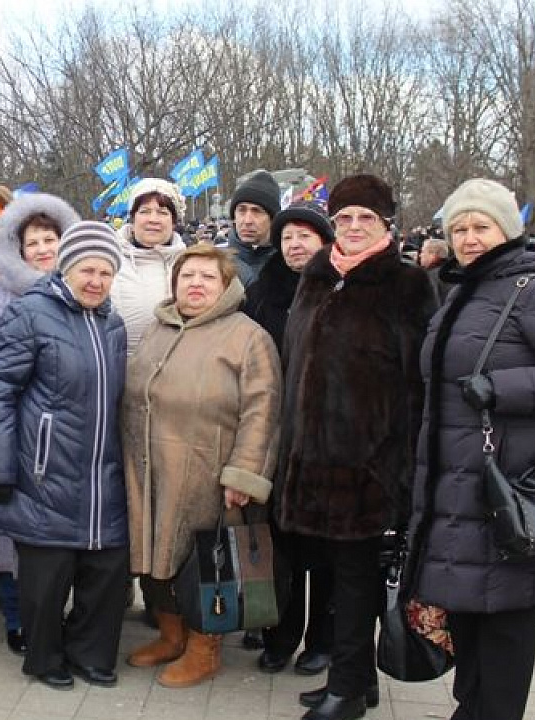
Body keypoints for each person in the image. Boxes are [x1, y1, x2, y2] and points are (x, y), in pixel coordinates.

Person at [406, 179, 535, 720]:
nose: (469, 238)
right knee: (470, 642)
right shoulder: (460, 294)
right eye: (460, 229)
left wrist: (500, 389)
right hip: (456, 495)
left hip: (512, 494)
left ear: (508, 230)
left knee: (504, 648)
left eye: (481, 226)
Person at [277, 175, 436, 720]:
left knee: (355, 576)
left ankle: (347, 691)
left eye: (364, 218)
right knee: (335, 572)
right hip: (313, 458)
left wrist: (403, 467)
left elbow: (418, 384)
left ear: (386, 225)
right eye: (343, 218)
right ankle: (355, 679)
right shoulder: (318, 278)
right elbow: (296, 361)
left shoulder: (406, 284)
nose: (351, 227)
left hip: (370, 462)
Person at [0, 221, 129, 691]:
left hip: (103, 472)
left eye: (105, 272)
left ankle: (91, 653)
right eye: (86, 270)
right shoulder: (30, 314)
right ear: (65, 268)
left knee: (105, 571)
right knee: (46, 577)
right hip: (45, 470)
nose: (95, 280)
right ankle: (43, 657)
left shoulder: (112, 322)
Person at [122, 242, 281, 688]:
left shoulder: (247, 337)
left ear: (226, 286)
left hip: (209, 473)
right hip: (150, 469)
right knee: (157, 556)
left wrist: (243, 474)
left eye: (207, 277)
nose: (196, 285)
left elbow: (263, 411)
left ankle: (204, 647)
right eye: (187, 276)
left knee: (206, 562)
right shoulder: (160, 327)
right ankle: (171, 635)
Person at [0, 191, 80, 654]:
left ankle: (57, 613)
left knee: (61, 534)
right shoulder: (0, 296)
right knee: (14, 534)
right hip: (20, 432)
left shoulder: (83, 290)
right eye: (32, 242)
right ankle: (17, 619)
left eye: (49, 240)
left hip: (70, 434)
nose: (41, 250)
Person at [243, 201, 336, 677]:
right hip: (272, 434)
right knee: (274, 545)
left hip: (325, 441)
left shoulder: (340, 288)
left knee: (322, 551)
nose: (296, 244)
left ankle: (322, 639)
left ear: (324, 241)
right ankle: (277, 633)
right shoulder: (261, 292)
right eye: (287, 237)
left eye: (305, 235)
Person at [111, 178, 189, 353]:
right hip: (123, 372)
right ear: (132, 218)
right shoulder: (110, 262)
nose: (153, 220)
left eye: (162, 212)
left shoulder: (189, 263)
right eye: (145, 211)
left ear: (174, 221)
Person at [228, 170, 282, 287]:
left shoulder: (288, 265)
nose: (247, 221)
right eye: (242, 210)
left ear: (272, 219)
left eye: (256, 211)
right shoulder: (217, 264)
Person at [419, 238, 452, 304]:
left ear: (432, 255)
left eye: (422, 251)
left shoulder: (430, 277)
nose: (420, 255)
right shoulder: (455, 272)